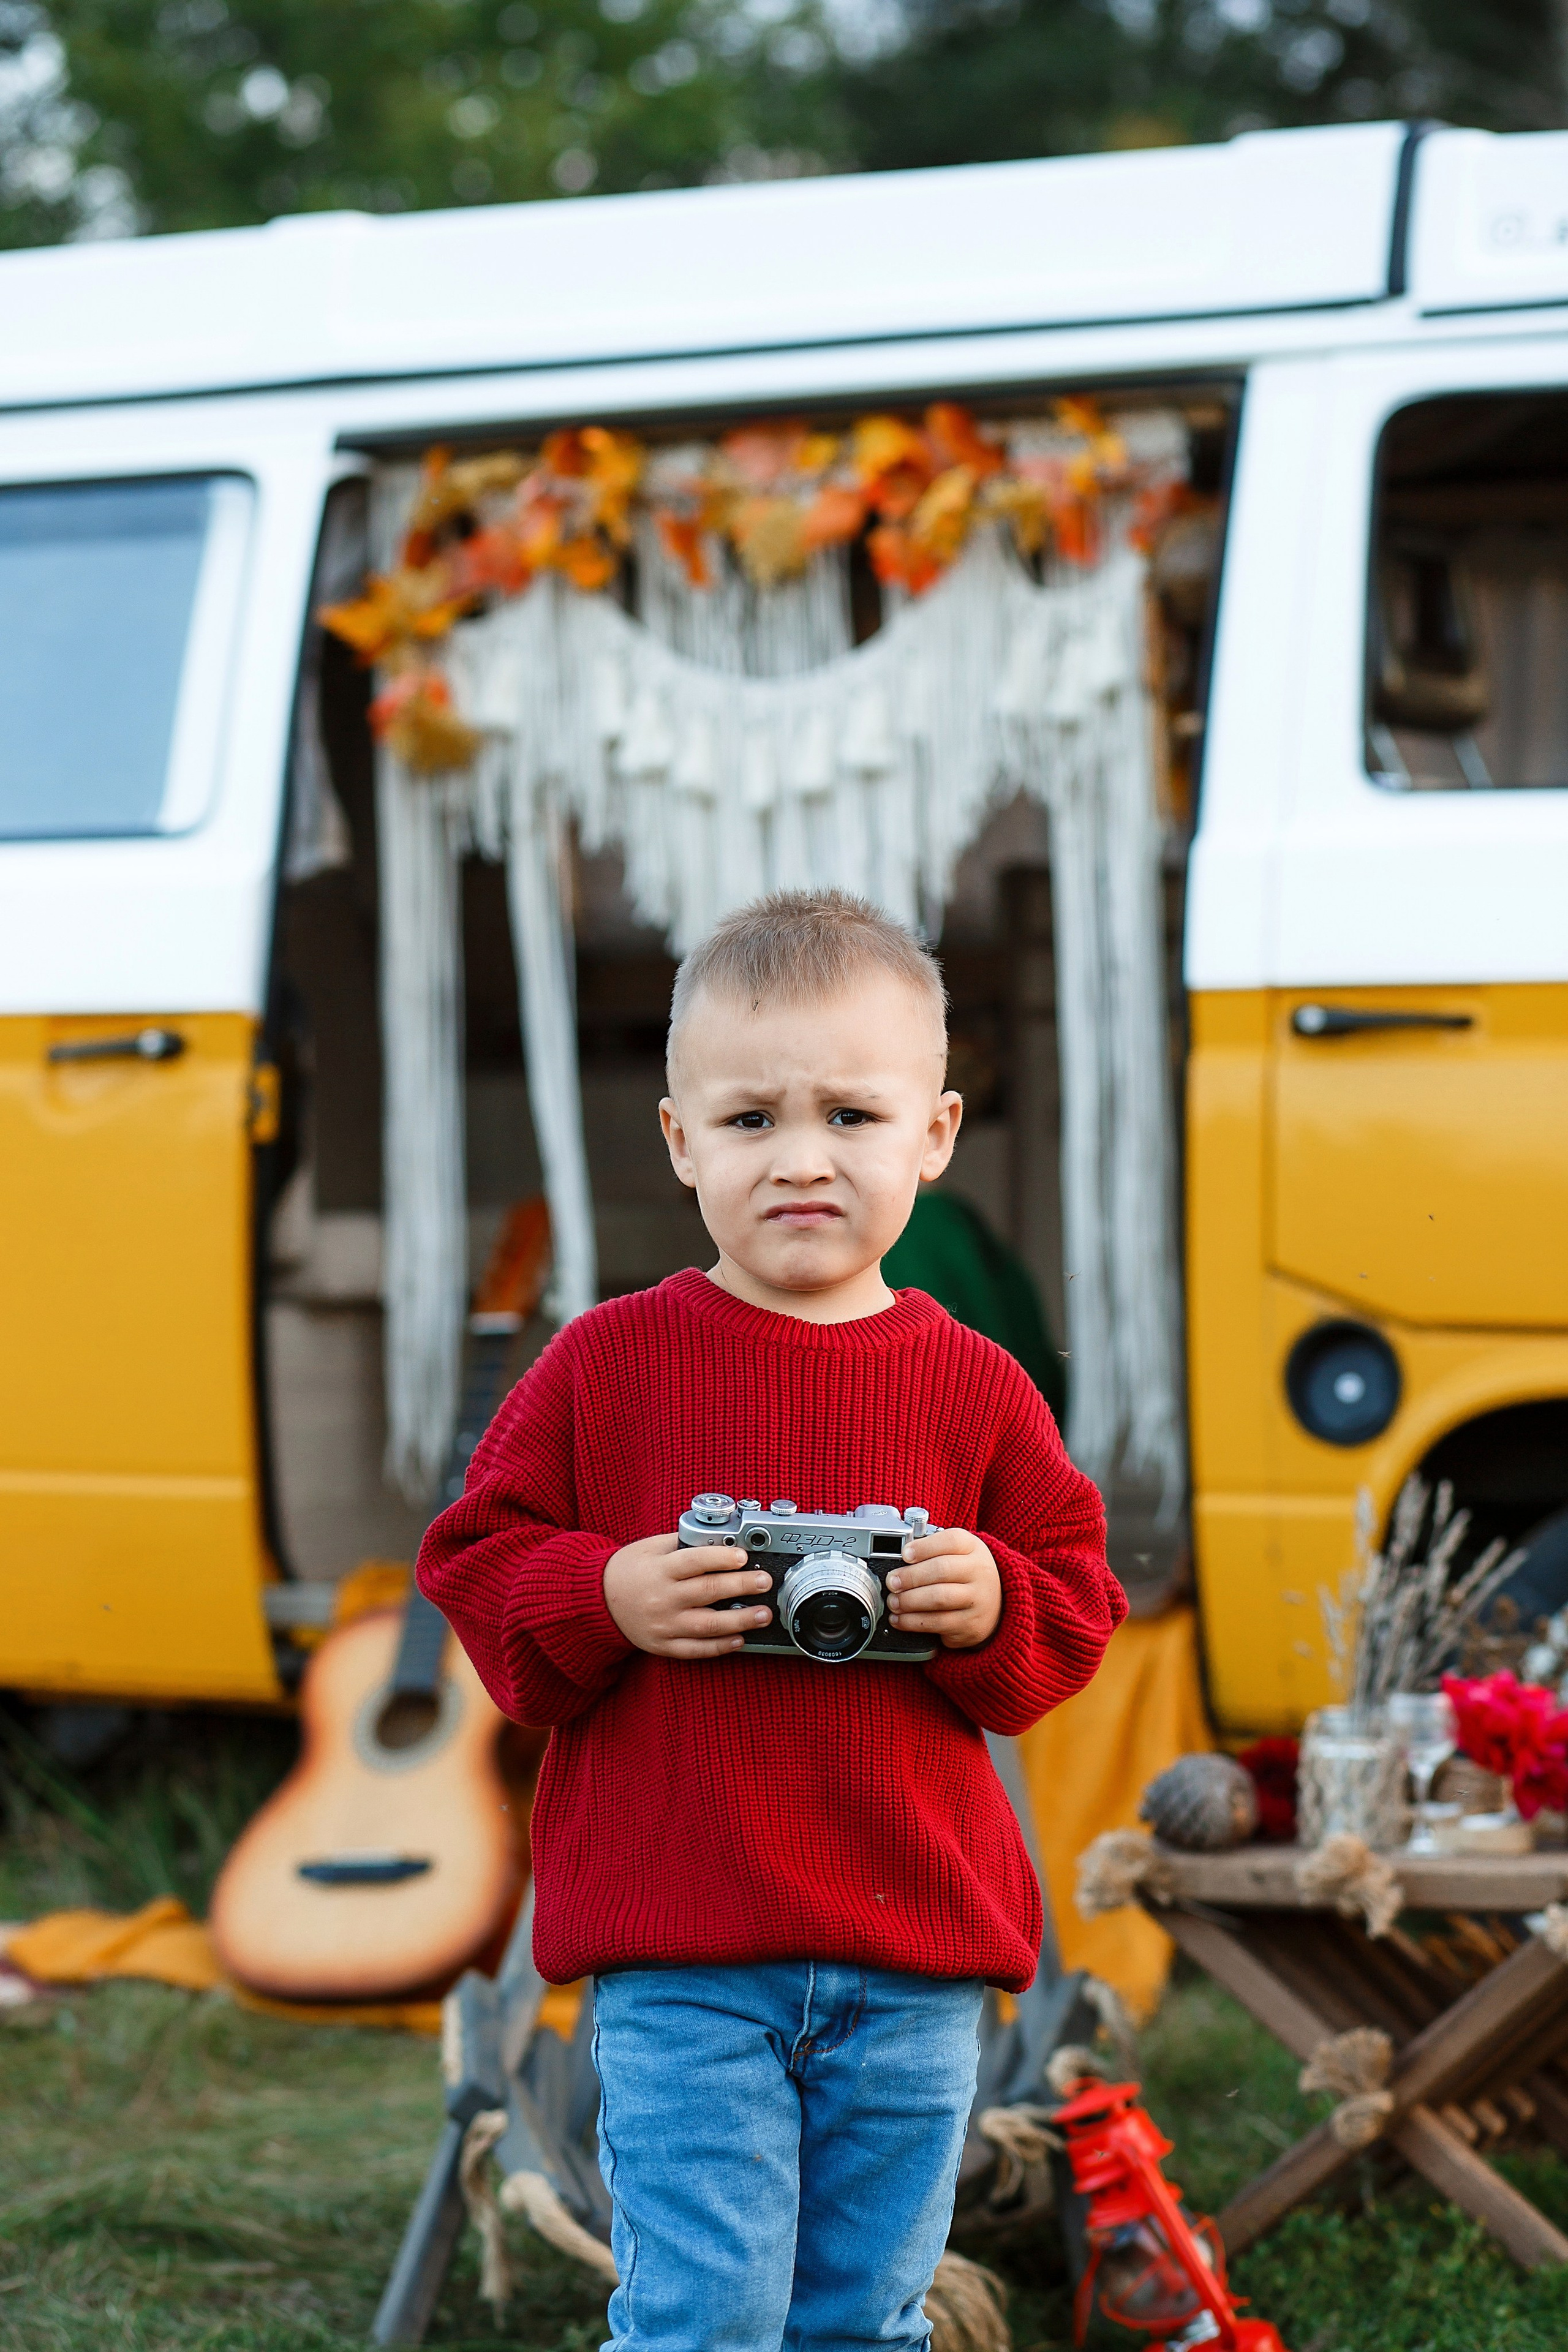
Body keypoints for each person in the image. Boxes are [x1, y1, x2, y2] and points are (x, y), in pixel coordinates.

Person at [417, 888, 1125, 2352]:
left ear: (932, 1136)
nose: (801, 1160)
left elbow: (1073, 1601)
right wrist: (604, 1591)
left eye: (849, 1118)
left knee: (866, 2314)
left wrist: (991, 1595)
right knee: (703, 2313)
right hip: (684, 1946)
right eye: (749, 1122)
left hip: (914, 1949)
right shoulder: (605, 1365)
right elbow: (473, 1558)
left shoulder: (976, 1384)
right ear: (679, 1144)